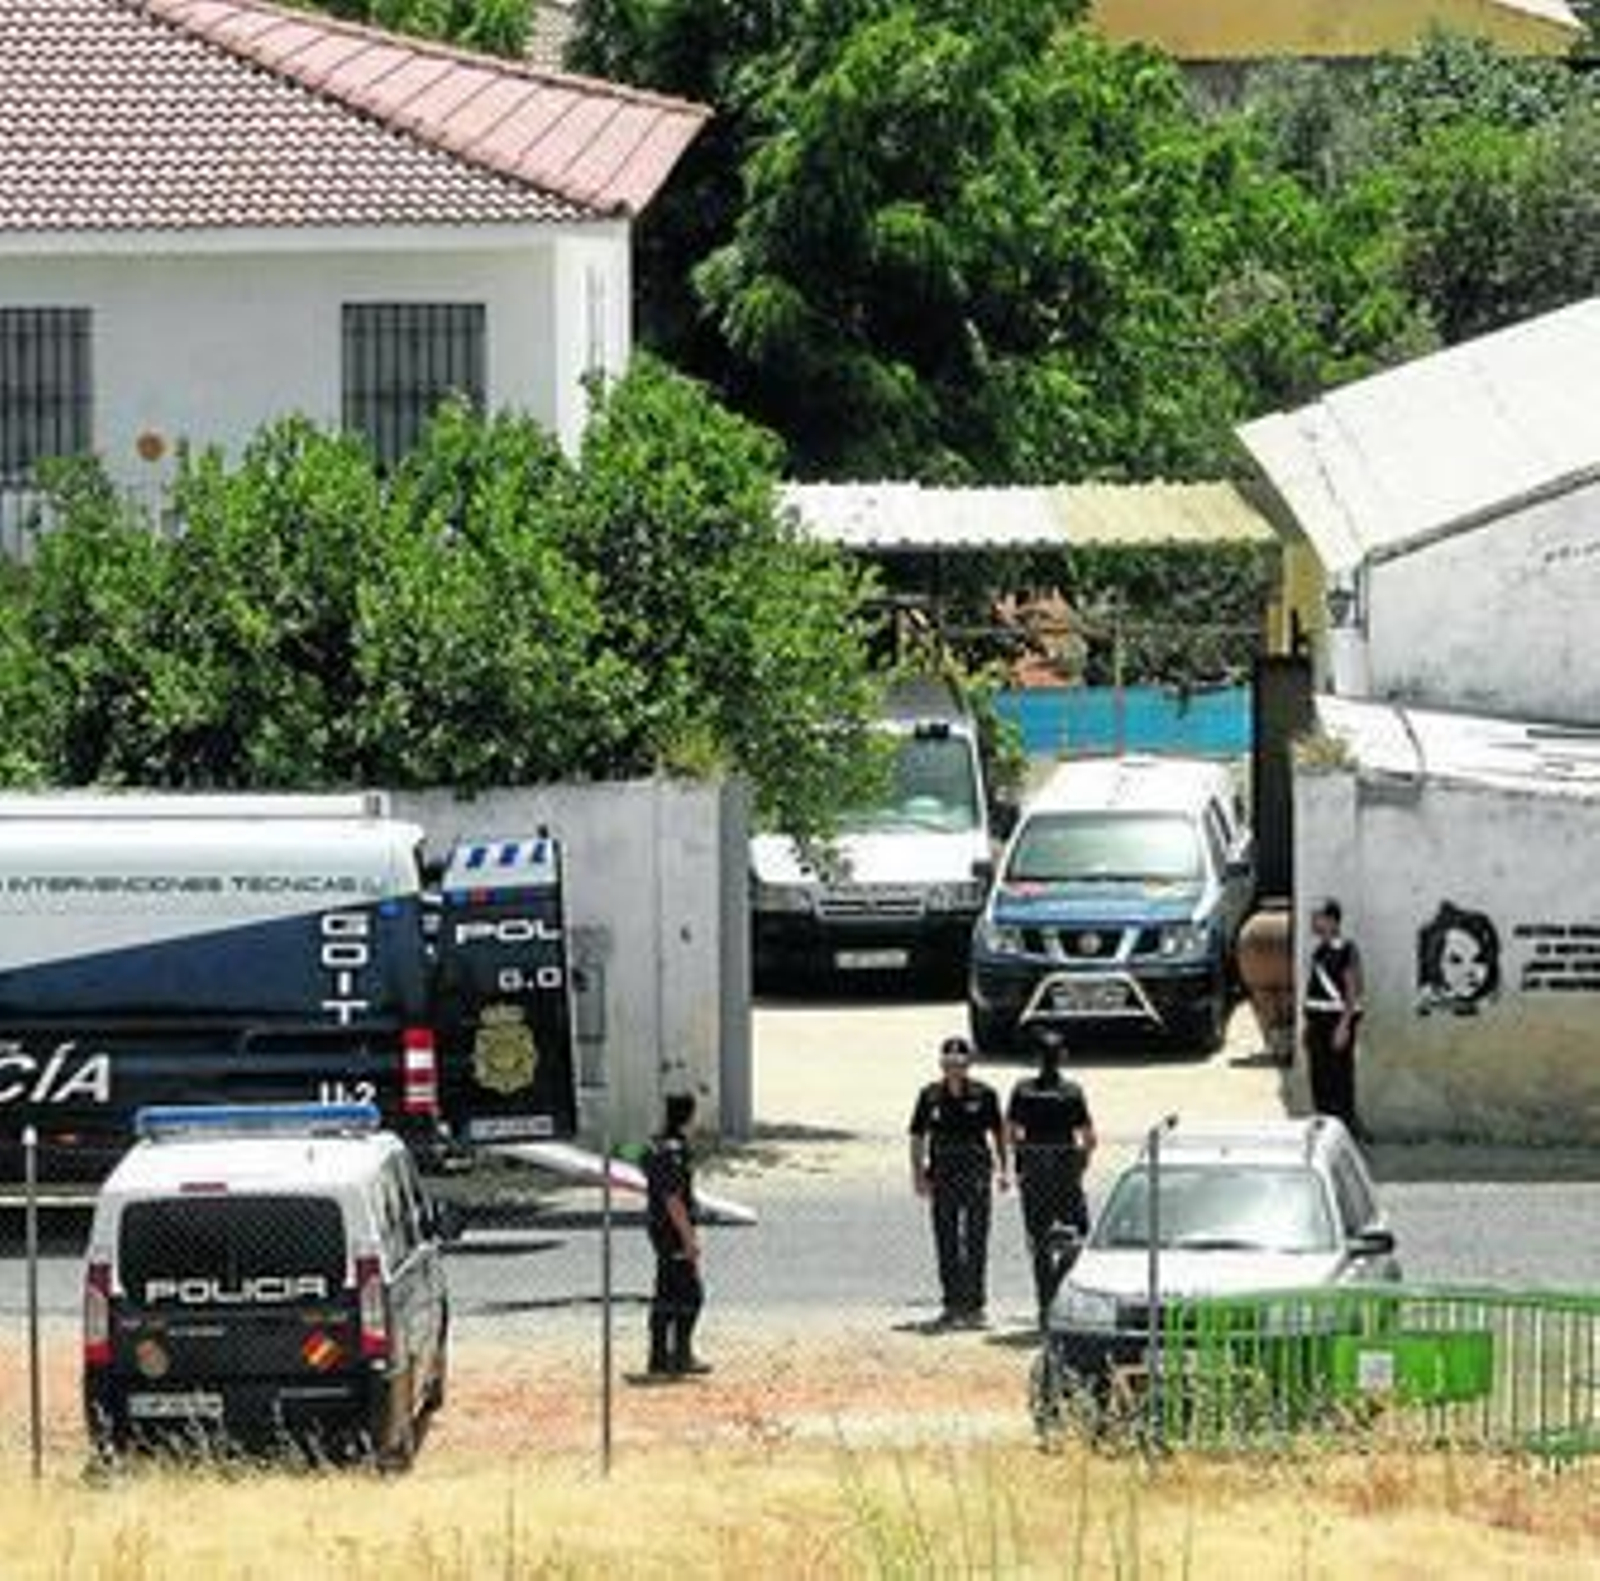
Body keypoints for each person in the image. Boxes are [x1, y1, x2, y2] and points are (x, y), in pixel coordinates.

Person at [908, 1036, 1008, 1328]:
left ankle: (975, 1305)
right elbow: (917, 1136)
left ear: (968, 1065)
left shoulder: (984, 1094)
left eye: (960, 1064)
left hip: (975, 1172)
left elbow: (998, 1133)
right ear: (942, 1065)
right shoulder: (929, 1095)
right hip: (942, 1172)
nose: (954, 1069)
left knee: (976, 1238)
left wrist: (1004, 1170)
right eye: (949, 1064)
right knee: (946, 1239)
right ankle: (952, 1303)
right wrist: (917, 1174)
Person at [1006, 1023, 1097, 1324]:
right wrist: (1080, 1163)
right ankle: (1060, 1291)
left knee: (1039, 1242)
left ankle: (1045, 1304)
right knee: (1080, 1236)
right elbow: (1088, 1137)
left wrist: (1023, 1156)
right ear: (1063, 1058)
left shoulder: (1023, 1090)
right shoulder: (1071, 1092)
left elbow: (1010, 1132)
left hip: (1034, 1173)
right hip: (1064, 1171)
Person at [643, 1092, 709, 1378]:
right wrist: (689, 1239)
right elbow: (673, 1199)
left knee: (666, 1292)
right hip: (672, 1230)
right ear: (688, 1116)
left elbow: (634, 1156)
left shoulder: (657, 1146)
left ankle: (659, 1357)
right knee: (691, 1295)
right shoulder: (675, 1152)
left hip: (659, 1228)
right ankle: (681, 1355)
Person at [1304, 897, 1367, 1140]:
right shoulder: (1319, 951)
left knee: (1339, 1078)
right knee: (1319, 1079)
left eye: (1317, 917)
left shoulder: (1346, 949)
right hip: (1317, 1025)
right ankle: (1325, 1127)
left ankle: (1347, 1130)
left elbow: (1354, 989)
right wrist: (1308, 1026)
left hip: (1336, 1025)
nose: (1313, 922)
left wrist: (1344, 1025)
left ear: (1331, 921)